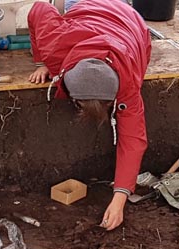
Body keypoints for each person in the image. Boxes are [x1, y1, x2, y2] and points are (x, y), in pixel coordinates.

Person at [27, 0, 151, 231]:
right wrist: (43, 61)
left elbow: (133, 140)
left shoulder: (129, 83)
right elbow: (39, 8)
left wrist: (119, 198)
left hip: (130, 21)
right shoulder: (54, 46)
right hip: (86, 7)